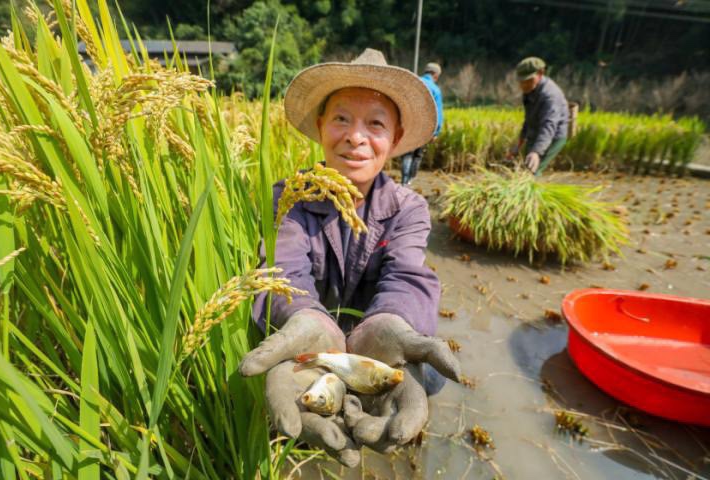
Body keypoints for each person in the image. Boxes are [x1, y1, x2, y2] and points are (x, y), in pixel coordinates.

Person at [238, 49, 461, 468]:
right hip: (310, 345)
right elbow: (283, 272)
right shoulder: (290, 197)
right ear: (321, 126)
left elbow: (407, 278)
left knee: (425, 373)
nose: (355, 136)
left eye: (375, 123)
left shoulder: (407, 207)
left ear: (394, 140)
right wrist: (309, 323)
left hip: (373, 349)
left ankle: (381, 409)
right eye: (341, 118)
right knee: (279, 377)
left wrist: (389, 329)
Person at [507, 56, 568, 176]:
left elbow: (549, 126)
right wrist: (519, 143)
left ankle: (532, 192)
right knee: (522, 169)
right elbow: (528, 119)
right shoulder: (529, 90)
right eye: (521, 81)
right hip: (535, 130)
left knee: (531, 171)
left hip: (553, 135)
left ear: (540, 73)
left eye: (528, 80)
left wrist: (536, 152)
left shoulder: (550, 96)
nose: (524, 85)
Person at [400, 62, 443, 185]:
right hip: (425, 127)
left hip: (409, 124)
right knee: (417, 155)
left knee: (407, 153)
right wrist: (436, 131)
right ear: (435, 75)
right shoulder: (435, 89)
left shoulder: (414, 83)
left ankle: (403, 181)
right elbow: (438, 112)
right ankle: (410, 181)